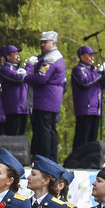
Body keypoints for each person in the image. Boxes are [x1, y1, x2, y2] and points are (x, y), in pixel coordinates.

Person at [25, 31, 65, 161]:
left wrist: (25, 75)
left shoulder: (50, 58)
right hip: (51, 99)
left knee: (43, 131)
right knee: (50, 130)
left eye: (45, 42)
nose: (42, 44)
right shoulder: (51, 56)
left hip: (45, 99)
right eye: (41, 42)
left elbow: (41, 78)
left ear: (53, 43)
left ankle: (44, 159)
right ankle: (51, 158)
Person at [70, 46, 105, 151]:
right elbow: (85, 81)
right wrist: (99, 73)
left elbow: (104, 86)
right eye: (89, 55)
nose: (92, 58)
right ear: (82, 56)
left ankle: (89, 160)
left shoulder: (94, 70)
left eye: (92, 55)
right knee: (82, 138)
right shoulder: (78, 69)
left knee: (92, 139)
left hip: (96, 109)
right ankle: (77, 160)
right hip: (85, 108)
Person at [0, 46, 29, 136]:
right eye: (15, 54)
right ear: (8, 57)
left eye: (18, 54)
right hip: (13, 108)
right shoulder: (5, 69)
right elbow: (19, 79)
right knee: (13, 136)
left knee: (21, 136)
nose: (17, 56)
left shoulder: (19, 68)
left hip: (23, 107)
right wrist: (29, 66)